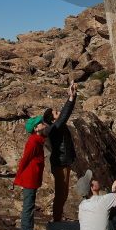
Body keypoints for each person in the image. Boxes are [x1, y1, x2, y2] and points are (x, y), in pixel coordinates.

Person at [43, 80, 77, 222]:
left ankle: (58, 219)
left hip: (63, 162)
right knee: (61, 194)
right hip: (60, 163)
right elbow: (64, 116)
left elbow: (63, 114)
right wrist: (71, 98)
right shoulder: (53, 128)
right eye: (55, 113)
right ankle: (56, 220)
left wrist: (71, 96)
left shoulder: (55, 126)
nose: (58, 113)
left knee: (63, 193)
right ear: (52, 119)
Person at [13, 114, 47, 230]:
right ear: (36, 128)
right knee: (28, 204)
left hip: (33, 176)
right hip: (30, 177)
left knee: (29, 203)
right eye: (41, 123)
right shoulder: (33, 142)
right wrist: (18, 176)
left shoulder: (38, 139)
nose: (44, 124)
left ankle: (27, 228)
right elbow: (25, 159)